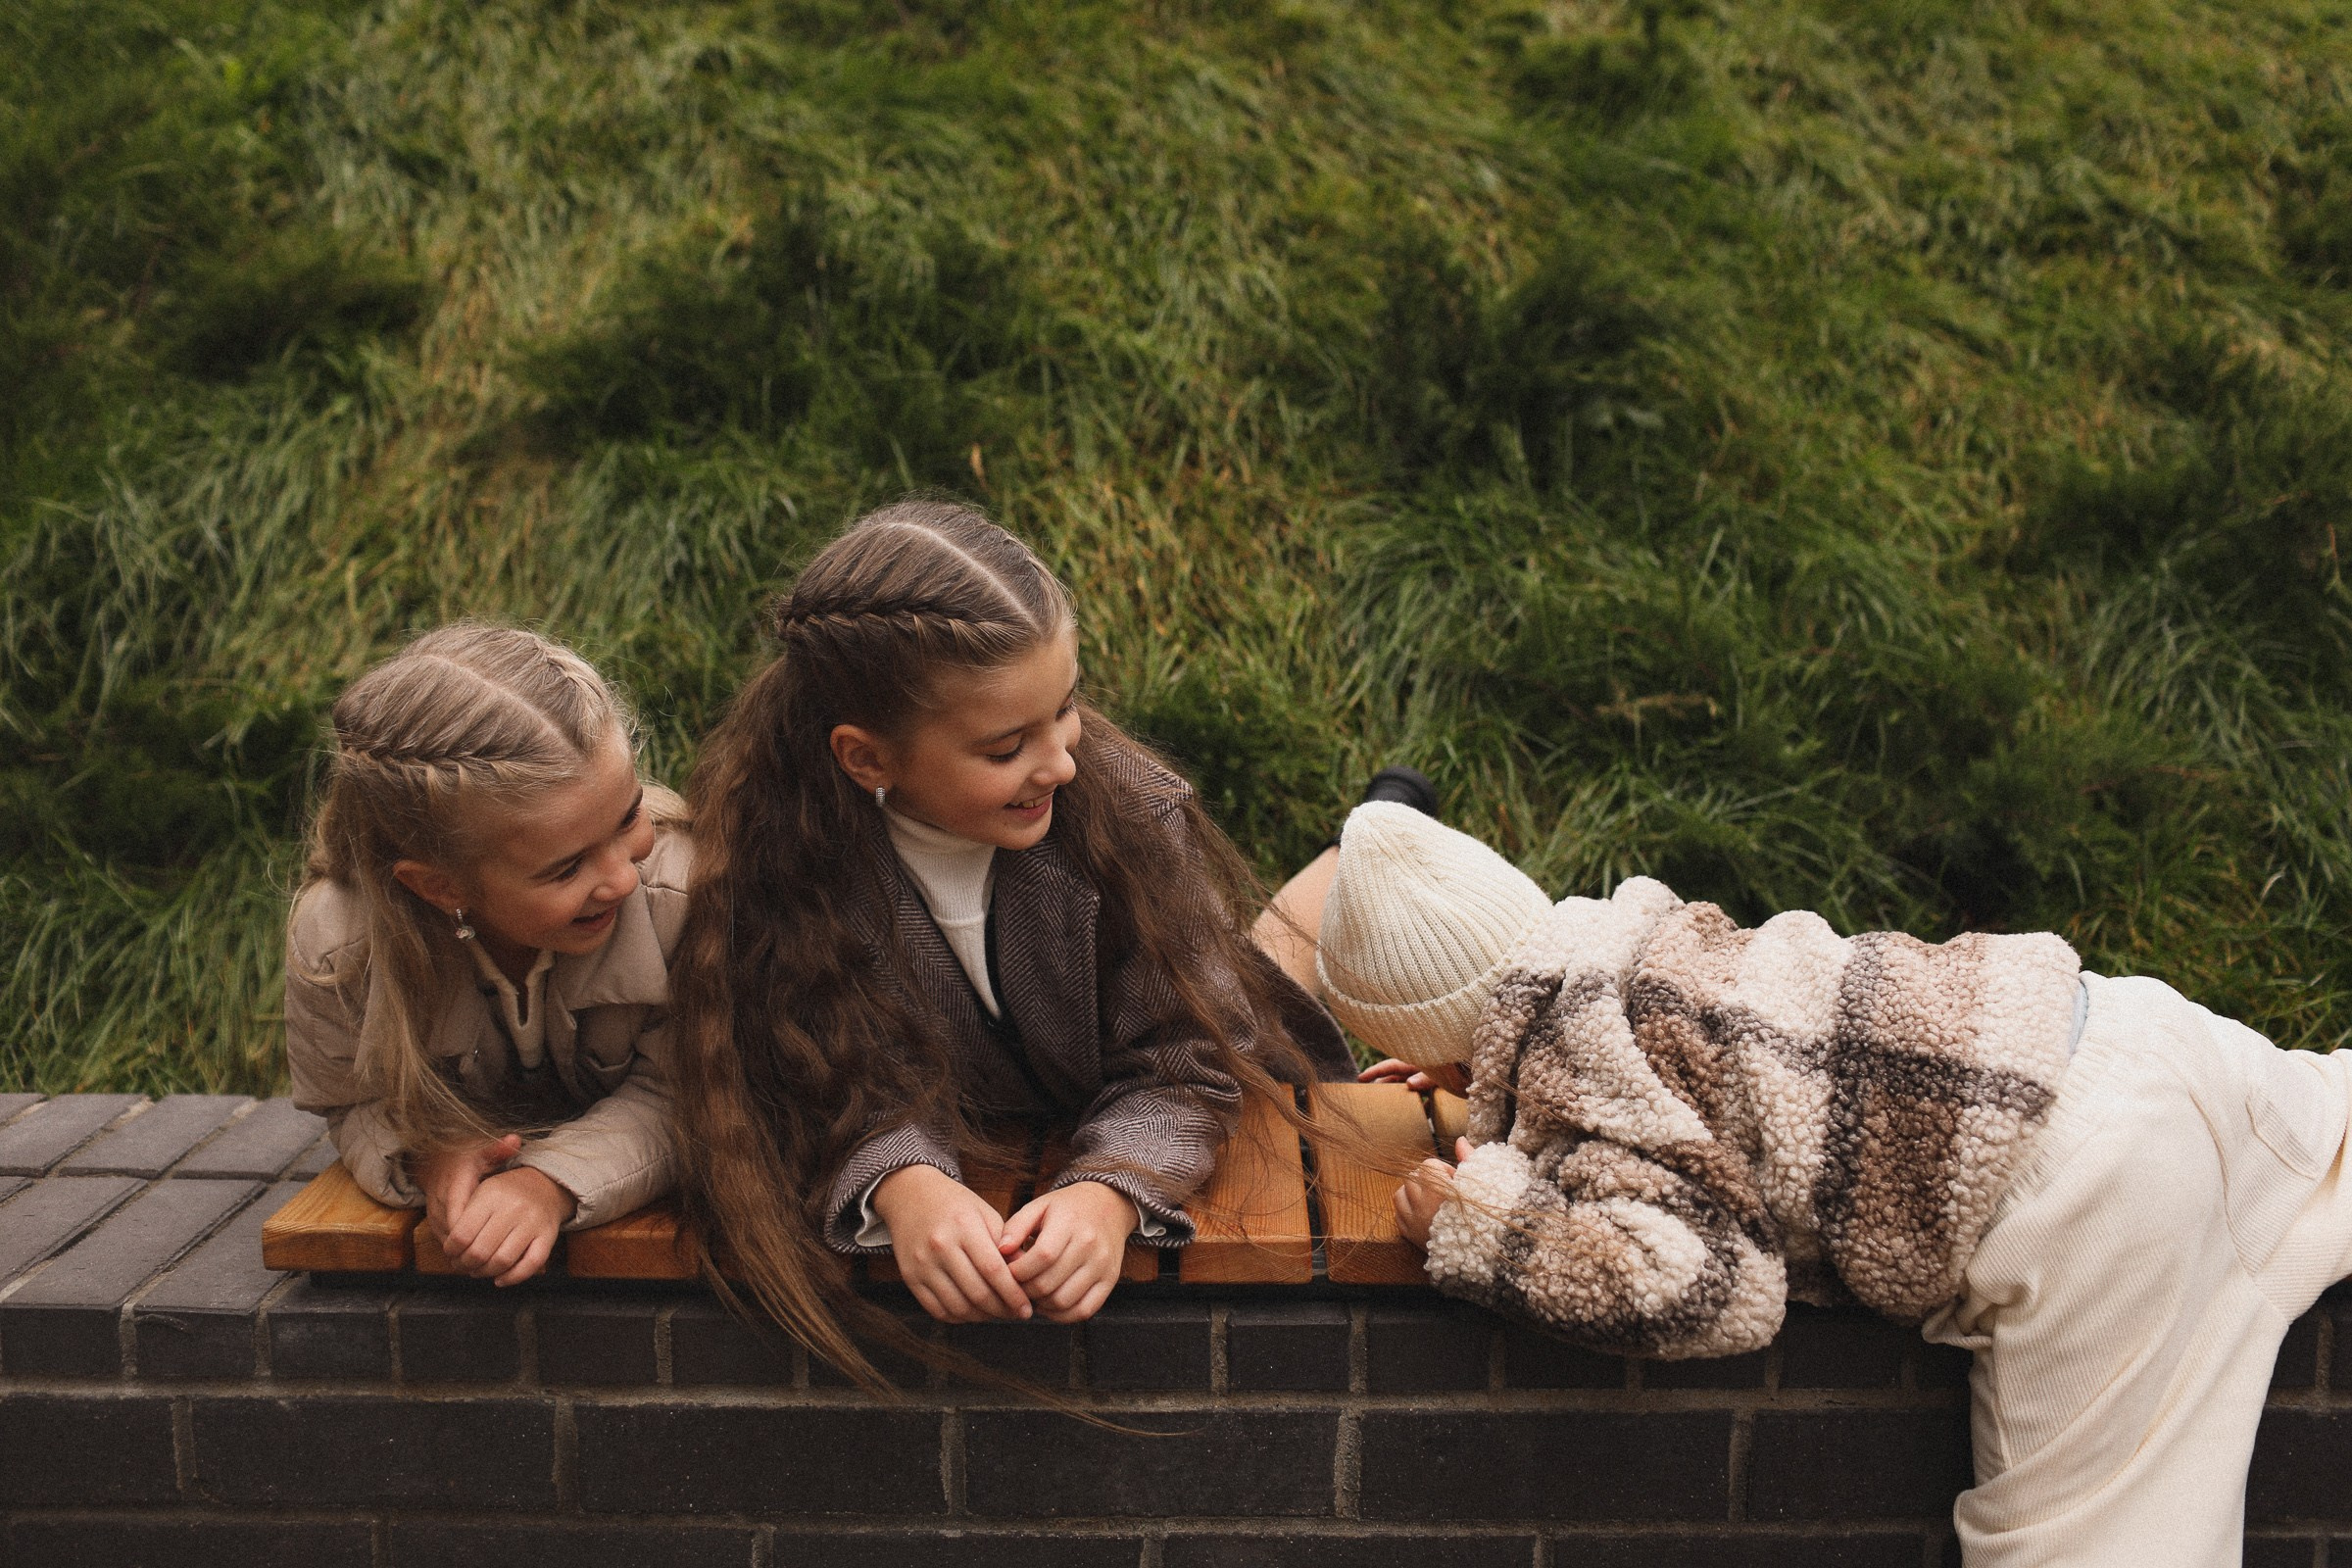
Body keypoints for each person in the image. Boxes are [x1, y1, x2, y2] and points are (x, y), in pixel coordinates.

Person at [1309, 800, 2352, 1567]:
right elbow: (1676, 1086)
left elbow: (1709, 1283)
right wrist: (1479, 1081)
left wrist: (1485, 1216)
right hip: (2123, 1034)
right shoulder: (1629, 942)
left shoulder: (1581, 1076)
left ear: (1424, 1034)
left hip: (2086, 1190)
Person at [669, 500, 1352, 1383]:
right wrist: (902, 1183)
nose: (1062, 762)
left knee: (1268, 963)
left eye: (1065, 708)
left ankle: (1368, 835)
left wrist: (1111, 1190)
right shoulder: (794, 861)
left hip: (1160, 1048)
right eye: (1006, 747)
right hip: (1016, 1099)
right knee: (1261, 944)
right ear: (867, 759)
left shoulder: (1128, 815)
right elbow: (822, 1068)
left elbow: (1190, 1057)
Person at [285, 623, 690, 1287]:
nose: (620, 877)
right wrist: (426, 1156)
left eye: (628, 819)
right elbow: (351, 1102)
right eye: (566, 869)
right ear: (440, 886)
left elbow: (687, 1091)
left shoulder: (682, 898)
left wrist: (551, 1184)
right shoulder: (338, 946)